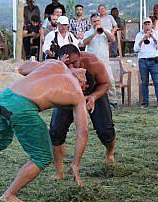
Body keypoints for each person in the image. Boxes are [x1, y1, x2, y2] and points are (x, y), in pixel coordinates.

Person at [0, 59, 89, 202]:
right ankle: (9, 195)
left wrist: (63, 70)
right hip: (22, 106)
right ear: (84, 84)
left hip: (4, 97)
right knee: (42, 156)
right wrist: (75, 164)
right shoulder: (78, 94)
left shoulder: (55, 64)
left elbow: (22, 68)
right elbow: (82, 132)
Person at [49, 44, 116, 185]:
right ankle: (59, 172)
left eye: (75, 62)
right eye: (67, 63)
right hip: (68, 95)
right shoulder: (58, 67)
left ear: (80, 57)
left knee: (105, 131)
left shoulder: (93, 63)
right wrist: (63, 68)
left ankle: (110, 153)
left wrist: (93, 97)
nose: (72, 66)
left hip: (93, 94)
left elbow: (105, 84)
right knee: (56, 131)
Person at [83, 13, 117, 108]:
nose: (96, 23)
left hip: (104, 62)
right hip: (92, 64)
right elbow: (85, 42)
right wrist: (94, 33)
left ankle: (113, 102)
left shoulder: (105, 31)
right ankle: (93, 100)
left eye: (98, 21)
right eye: (94, 21)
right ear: (91, 22)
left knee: (110, 81)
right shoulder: (88, 33)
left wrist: (103, 31)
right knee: (92, 83)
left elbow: (113, 39)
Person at [133, 17, 158, 110]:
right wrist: (143, 39)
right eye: (145, 24)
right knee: (144, 82)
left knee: (157, 82)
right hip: (143, 60)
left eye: (149, 24)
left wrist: (152, 37)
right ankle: (145, 102)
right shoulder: (139, 35)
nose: (147, 26)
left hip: (154, 60)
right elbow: (135, 49)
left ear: (151, 25)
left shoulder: (157, 33)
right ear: (143, 25)